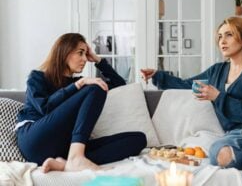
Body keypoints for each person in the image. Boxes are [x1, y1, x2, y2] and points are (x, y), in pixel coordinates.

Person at [141, 16, 242, 186]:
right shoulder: (217, 71)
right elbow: (186, 84)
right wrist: (158, 75)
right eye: (220, 36)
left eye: (229, 35)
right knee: (219, 154)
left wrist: (217, 97)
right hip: (234, 135)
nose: (222, 41)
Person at [16, 33, 146, 173]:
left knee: (138, 139)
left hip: (64, 146)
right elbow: (45, 108)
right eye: (80, 53)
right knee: (96, 87)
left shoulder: (80, 84)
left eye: (86, 54)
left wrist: (97, 60)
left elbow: (119, 84)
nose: (84, 59)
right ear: (65, 53)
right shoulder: (37, 77)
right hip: (34, 140)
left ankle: (67, 163)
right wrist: (78, 84)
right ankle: (76, 158)